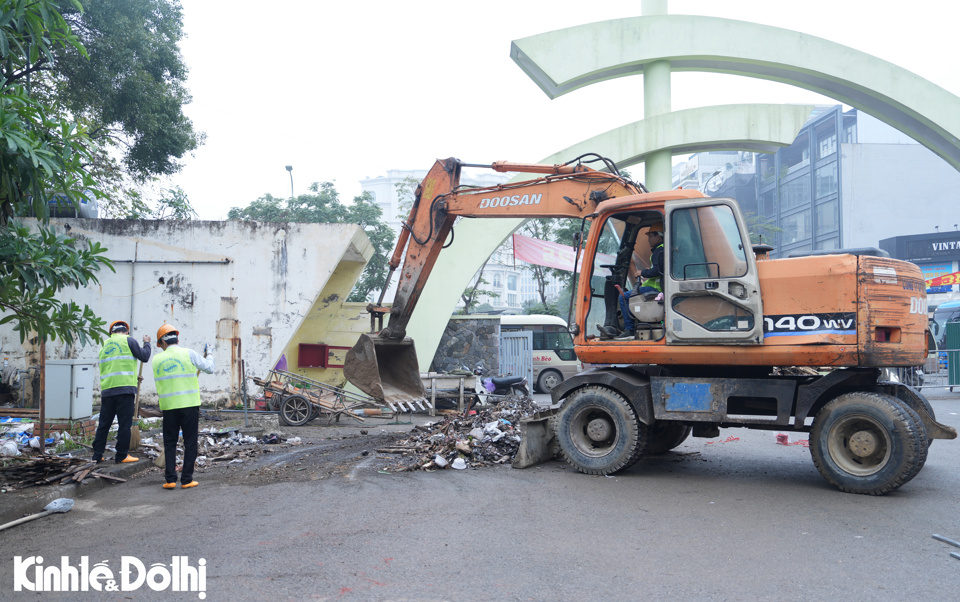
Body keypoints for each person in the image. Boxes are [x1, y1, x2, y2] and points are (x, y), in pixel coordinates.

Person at [152, 324, 215, 489]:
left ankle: (170, 480)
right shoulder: (189, 353)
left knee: (170, 443)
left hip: (169, 407)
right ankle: (187, 479)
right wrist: (209, 354)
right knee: (190, 442)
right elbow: (210, 368)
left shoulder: (156, 360)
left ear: (162, 343)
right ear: (177, 339)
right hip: (189, 405)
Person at [92, 320, 151, 464]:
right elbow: (144, 356)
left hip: (108, 391)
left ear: (111, 332)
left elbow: (113, 366)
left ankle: (97, 455)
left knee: (104, 425)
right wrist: (147, 343)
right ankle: (121, 455)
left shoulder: (104, 345)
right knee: (124, 424)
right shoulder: (129, 341)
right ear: (126, 331)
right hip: (124, 391)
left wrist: (134, 376)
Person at [617, 222, 664, 340]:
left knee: (623, 297)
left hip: (655, 289)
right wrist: (649, 271)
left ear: (658, 236)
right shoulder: (661, 250)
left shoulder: (659, 251)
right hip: (656, 287)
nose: (648, 239)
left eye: (651, 236)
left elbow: (659, 270)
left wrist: (641, 272)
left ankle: (630, 329)